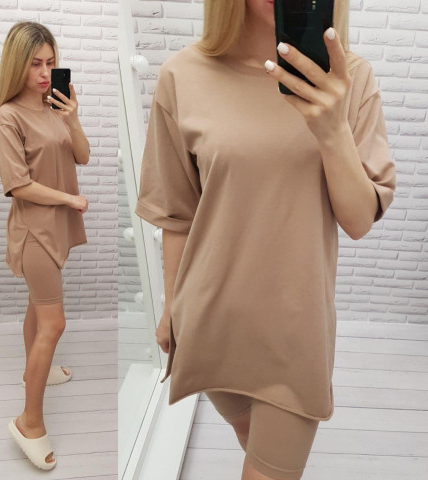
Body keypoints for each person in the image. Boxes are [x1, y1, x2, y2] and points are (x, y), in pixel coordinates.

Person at [134, 0, 396, 479]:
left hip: (295, 333)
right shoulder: (181, 76)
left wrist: (332, 130)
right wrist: (172, 306)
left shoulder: (350, 79)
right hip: (211, 320)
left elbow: (358, 221)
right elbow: (177, 215)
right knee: (249, 436)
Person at [0, 21, 90, 470]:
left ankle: (38, 372)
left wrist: (72, 119)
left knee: (37, 306)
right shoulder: (7, 118)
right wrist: (69, 199)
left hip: (56, 227)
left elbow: (82, 155)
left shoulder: (55, 106)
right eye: (35, 64)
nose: (45, 73)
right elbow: (17, 184)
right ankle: (28, 421)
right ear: (18, 65)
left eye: (50, 62)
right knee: (54, 322)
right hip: (35, 231)